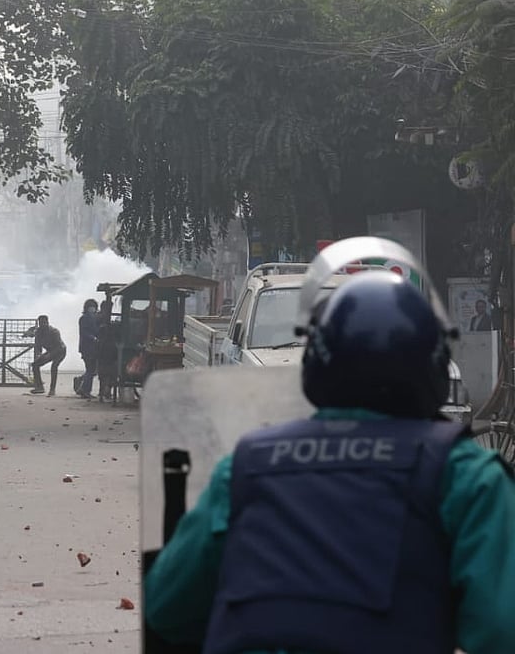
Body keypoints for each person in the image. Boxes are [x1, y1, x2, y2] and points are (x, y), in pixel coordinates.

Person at [144, 269, 515, 654]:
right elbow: (501, 630)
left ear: (316, 361)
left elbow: (166, 606)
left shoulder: (247, 465)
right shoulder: (466, 475)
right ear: (435, 363)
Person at [24, 315, 66, 396]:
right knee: (35, 365)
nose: (42, 325)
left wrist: (48, 355)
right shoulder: (38, 332)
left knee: (54, 366)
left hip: (60, 351)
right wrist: (39, 355)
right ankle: (39, 387)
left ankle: (52, 389)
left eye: (44, 323)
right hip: (50, 351)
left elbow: (58, 347)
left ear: (47, 322)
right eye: (41, 323)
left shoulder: (54, 331)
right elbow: (38, 346)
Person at [76, 299, 100, 398]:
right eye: (90, 307)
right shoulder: (84, 318)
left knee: (92, 370)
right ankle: (85, 391)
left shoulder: (94, 318)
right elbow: (84, 332)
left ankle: (82, 385)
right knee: (91, 369)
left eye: (93, 307)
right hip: (87, 347)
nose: (92, 309)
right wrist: (93, 338)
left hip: (92, 347)